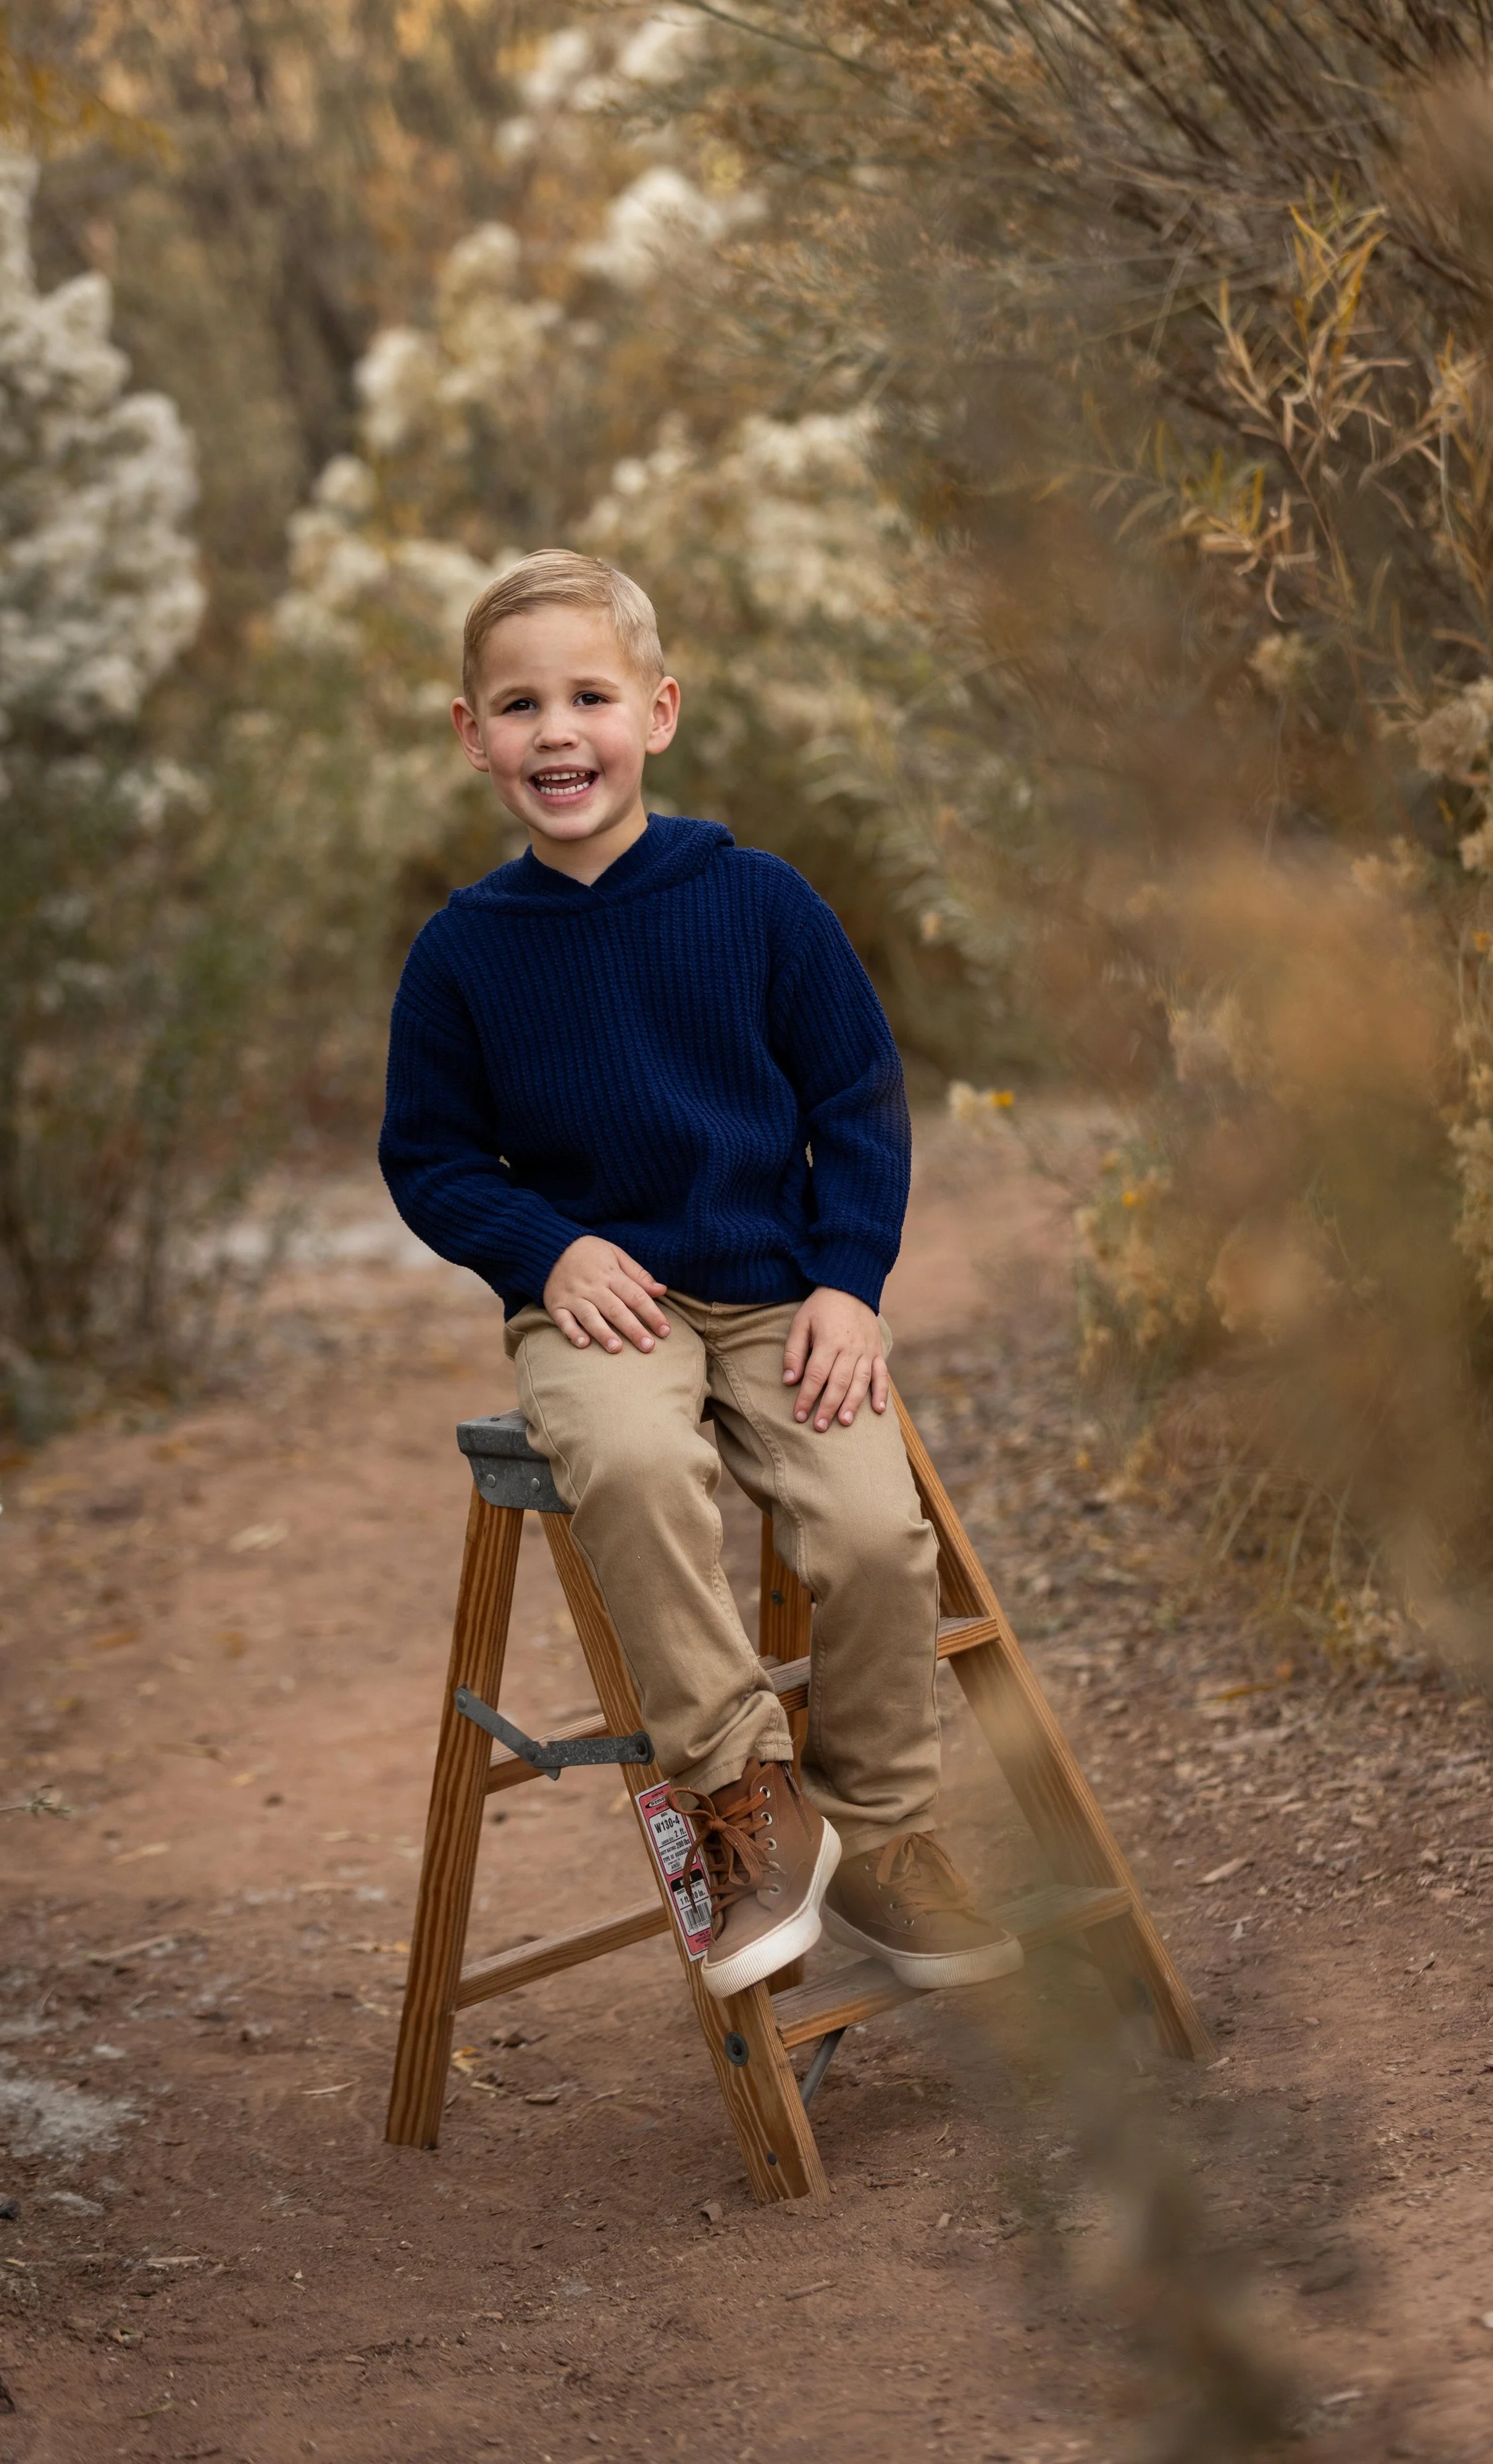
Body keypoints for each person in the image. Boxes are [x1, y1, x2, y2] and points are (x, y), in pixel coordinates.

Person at [380, 548, 1021, 2001]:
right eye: (519, 705)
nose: (557, 732)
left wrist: (849, 1282)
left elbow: (858, 1102)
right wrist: (546, 1248)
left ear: (657, 712)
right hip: (600, 1303)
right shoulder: (462, 955)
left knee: (875, 1532)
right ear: (470, 734)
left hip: (780, 1288)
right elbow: (428, 1159)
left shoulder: (760, 902)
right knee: (630, 1466)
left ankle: (882, 1832)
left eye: (589, 698)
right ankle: (742, 1797)